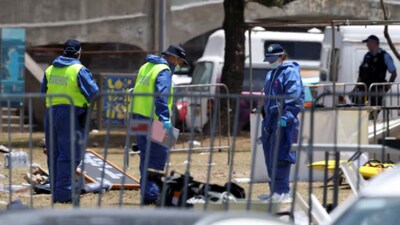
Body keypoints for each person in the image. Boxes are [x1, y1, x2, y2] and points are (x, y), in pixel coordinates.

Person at [40, 39, 99, 203]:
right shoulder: (79, 69)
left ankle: (57, 190)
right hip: (72, 113)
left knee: (54, 153)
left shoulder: (50, 69)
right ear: (79, 53)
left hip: (51, 112)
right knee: (70, 153)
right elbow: (94, 92)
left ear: (64, 51)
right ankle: (63, 194)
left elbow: (42, 90)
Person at [129, 45, 188, 205]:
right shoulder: (163, 71)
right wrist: (165, 120)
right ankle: (151, 194)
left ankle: (147, 192)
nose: (179, 65)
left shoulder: (146, 66)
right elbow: (161, 96)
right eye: (180, 62)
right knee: (157, 157)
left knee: (145, 156)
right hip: (154, 120)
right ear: (173, 57)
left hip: (138, 117)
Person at [258, 44, 304, 202]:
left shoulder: (290, 72)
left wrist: (287, 116)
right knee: (270, 157)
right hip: (270, 121)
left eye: (273, 59)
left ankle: (282, 192)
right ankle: (274, 192)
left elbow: (294, 96)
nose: (271, 62)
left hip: (285, 121)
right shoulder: (271, 73)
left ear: (282, 56)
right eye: (269, 59)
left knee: (282, 157)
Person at [357, 35, 397, 117]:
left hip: (376, 89)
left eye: (368, 43)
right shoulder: (367, 55)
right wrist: (358, 84)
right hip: (365, 89)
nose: (367, 45)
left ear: (374, 43)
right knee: (361, 111)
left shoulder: (384, 56)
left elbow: (393, 73)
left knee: (374, 110)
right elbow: (362, 71)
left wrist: (387, 87)